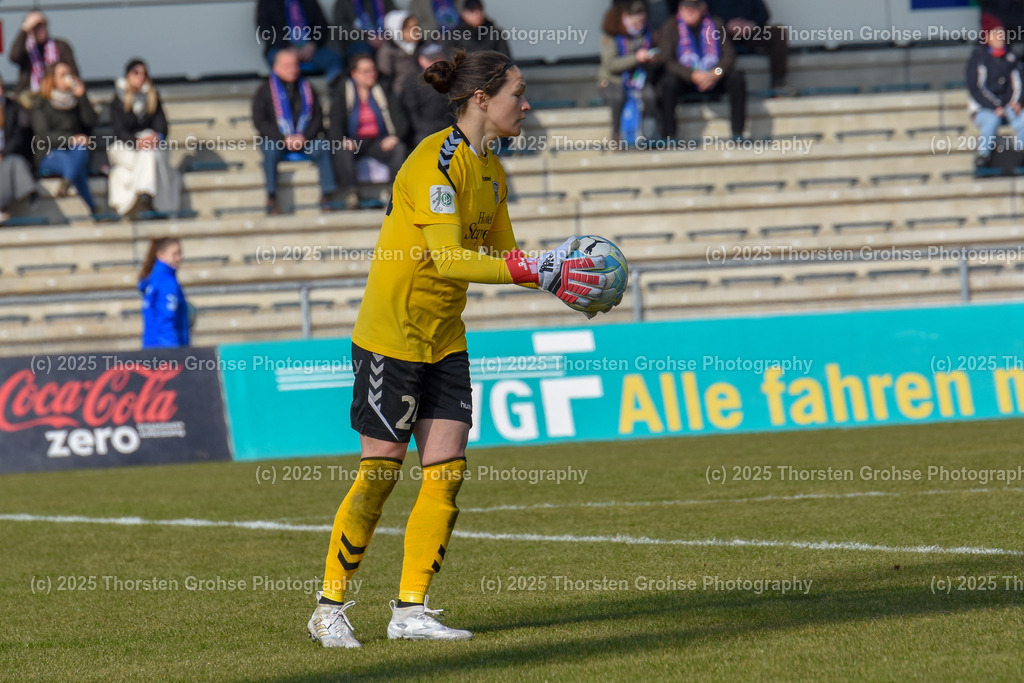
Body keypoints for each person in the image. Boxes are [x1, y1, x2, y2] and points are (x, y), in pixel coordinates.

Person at [306, 49, 615, 649]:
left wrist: (555, 277)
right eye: (517, 93)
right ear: (481, 99)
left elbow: (503, 258)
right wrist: (537, 266)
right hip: (392, 336)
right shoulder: (433, 163)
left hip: (445, 336)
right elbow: (451, 259)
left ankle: (410, 610)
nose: (525, 105)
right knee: (380, 474)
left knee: (445, 472)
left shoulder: (492, 170)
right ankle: (330, 606)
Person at [252, 49, 337, 214]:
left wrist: (304, 137)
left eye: (295, 65)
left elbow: (317, 117)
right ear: (275, 68)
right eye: (287, 65)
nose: (292, 69)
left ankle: (326, 195)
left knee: (322, 146)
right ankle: (271, 197)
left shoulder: (307, 88)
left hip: (305, 138)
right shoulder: (264, 91)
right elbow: (260, 121)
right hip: (277, 139)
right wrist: (283, 138)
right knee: (269, 150)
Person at [657, 0, 747, 140]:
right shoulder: (670, 26)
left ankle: (738, 132)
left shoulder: (716, 23)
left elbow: (729, 56)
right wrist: (692, 75)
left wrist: (715, 74)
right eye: (686, 7)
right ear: (680, 8)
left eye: (694, 7)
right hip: (686, 79)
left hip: (714, 77)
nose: (690, 11)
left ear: (703, 8)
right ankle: (669, 135)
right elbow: (667, 59)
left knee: (737, 78)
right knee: (668, 83)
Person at [330, 54, 407, 207]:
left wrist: (395, 136)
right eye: (365, 71)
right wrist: (343, 139)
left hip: (379, 140)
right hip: (355, 140)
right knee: (341, 150)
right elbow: (335, 123)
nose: (370, 74)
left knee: (399, 149)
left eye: (372, 70)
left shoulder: (384, 89)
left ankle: (394, 192)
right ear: (354, 74)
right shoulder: (343, 90)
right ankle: (352, 194)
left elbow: (400, 119)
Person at [108, 59, 181, 220]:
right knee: (145, 156)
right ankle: (146, 198)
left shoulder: (152, 97)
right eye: (136, 73)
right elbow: (119, 130)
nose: (140, 77)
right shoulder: (118, 100)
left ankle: (144, 195)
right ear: (128, 75)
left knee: (149, 154)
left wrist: (155, 137)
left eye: (144, 73)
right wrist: (136, 142)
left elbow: (162, 127)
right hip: (126, 146)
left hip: (149, 145)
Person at [31, 62, 100, 216]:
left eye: (69, 74)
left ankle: (67, 182)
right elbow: (43, 136)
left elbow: (90, 120)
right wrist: (71, 139)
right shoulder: (41, 104)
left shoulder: (75, 102)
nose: (68, 78)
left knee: (80, 152)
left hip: (75, 151)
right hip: (49, 153)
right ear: (52, 79)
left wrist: (82, 97)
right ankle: (92, 206)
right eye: (62, 75)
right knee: (71, 163)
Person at [599, 0, 663, 142]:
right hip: (612, 80)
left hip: (638, 79)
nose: (640, 25)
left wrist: (651, 60)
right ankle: (617, 136)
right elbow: (610, 65)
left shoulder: (646, 35)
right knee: (618, 96)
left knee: (650, 96)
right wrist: (636, 58)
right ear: (626, 17)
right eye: (636, 22)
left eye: (642, 21)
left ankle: (648, 136)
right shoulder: (612, 35)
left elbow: (650, 66)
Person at [968, 14, 1024, 168]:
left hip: (1008, 106)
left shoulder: (1011, 57)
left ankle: (1021, 154)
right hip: (985, 108)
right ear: (987, 37)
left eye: (1002, 33)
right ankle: (983, 156)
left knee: (1023, 119)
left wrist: (1017, 102)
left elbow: (1018, 83)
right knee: (991, 121)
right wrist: (995, 107)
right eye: (996, 33)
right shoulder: (979, 58)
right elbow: (977, 88)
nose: (1000, 37)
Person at [706, 0, 789, 92]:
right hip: (722, 34)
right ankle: (712, 84)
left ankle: (778, 83)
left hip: (749, 33)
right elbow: (703, 15)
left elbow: (764, 14)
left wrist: (751, 25)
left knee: (778, 33)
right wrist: (726, 25)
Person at [256, 0, 344, 86]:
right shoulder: (267, 2)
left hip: (310, 50)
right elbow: (264, 29)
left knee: (333, 59)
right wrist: (287, 47)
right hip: (282, 48)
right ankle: (287, 93)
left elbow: (323, 26)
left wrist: (313, 45)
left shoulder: (310, 2)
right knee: (279, 59)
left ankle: (336, 91)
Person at [8, 11, 79, 96]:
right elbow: (14, 56)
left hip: (56, 95)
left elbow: (73, 71)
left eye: (42, 26)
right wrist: (24, 28)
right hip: (30, 96)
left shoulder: (61, 46)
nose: (40, 30)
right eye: (35, 27)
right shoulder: (26, 48)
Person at [138, 237, 190, 349]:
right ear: (161, 255)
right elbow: (166, 320)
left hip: (151, 346)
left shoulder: (153, 279)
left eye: (180, 254)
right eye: (175, 254)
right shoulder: (166, 281)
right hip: (165, 349)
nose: (179, 258)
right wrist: (175, 353)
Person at [399, 43, 454, 145]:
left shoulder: (452, 78)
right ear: (421, 60)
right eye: (432, 60)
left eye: (439, 59)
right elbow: (411, 111)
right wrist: (424, 129)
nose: (436, 63)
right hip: (425, 131)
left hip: (450, 128)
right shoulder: (412, 81)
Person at [0, 81, 39, 223]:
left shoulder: (14, 109)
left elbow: (20, 136)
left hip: (9, 155)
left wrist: (3, 153)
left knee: (13, 163)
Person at [377, 10, 422, 97]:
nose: (416, 32)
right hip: (401, 93)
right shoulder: (387, 51)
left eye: (416, 27)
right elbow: (385, 79)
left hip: (422, 89)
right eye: (409, 29)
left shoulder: (422, 46)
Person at [446, 0, 511, 57]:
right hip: (465, 70)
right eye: (472, 11)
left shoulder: (496, 33)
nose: (477, 14)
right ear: (464, 14)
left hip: (492, 70)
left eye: (480, 9)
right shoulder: (454, 35)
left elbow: (505, 60)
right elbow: (450, 60)